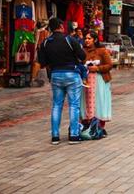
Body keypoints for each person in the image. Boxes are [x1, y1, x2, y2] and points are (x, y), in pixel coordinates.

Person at [36, 17, 87, 145]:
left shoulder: (46, 43)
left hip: (55, 75)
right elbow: (83, 56)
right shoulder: (70, 40)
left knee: (56, 105)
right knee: (74, 105)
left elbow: (42, 63)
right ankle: (74, 136)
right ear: (60, 26)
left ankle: (55, 136)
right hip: (72, 74)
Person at [81, 32, 113, 136]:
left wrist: (97, 68)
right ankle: (87, 124)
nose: (87, 40)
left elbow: (109, 65)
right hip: (87, 82)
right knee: (86, 102)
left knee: (99, 102)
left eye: (89, 38)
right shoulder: (83, 52)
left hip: (100, 81)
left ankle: (99, 126)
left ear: (95, 40)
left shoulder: (102, 51)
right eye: (86, 38)